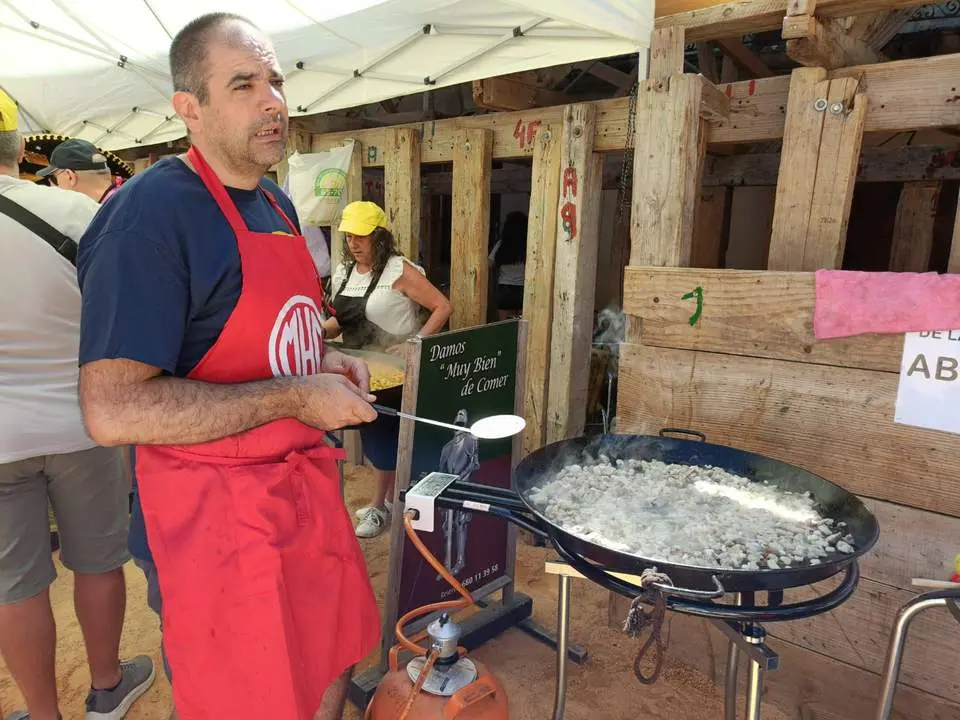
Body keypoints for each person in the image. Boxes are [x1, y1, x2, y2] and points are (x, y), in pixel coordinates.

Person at [75, 12, 380, 720]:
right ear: (190, 107)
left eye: (275, 80)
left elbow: (271, 334)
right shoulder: (147, 218)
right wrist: (296, 397)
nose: (272, 100)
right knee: (251, 699)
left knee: (331, 656)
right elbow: (113, 408)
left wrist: (322, 361)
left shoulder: (273, 199)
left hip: (303, 493)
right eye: (243, 84)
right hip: (218, 522)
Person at [0, 89, 154, 720]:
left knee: (15, 587)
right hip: (83, 422)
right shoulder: (74, 212)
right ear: (17, 145)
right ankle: (108, 685)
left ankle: (43, 715)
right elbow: (122, 313)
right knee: (98, 560)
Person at [323, 200, 453, 538]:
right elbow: (343, 321)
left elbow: (442, 306)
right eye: (349, 236)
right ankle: (392, 501)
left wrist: (415, 344)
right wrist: (317, 330)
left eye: (361, 236)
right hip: (356, 365)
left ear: (379, 237)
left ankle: (380, 507)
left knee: (383, 440)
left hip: (394, 372)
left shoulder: (398, 270)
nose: (354, 242)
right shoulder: (345, 271)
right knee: (371, 436)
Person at [37, 138, 124, 205]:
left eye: (53, 178)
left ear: (70, 176)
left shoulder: (107, 217)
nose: (53, 187)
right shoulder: (125, 200)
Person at [489, 210, 527, 320]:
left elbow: (489, 263)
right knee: (522, 325)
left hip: (505, 289)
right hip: (523, 289)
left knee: (504, 325)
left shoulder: (501, 244)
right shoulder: (529, 245)